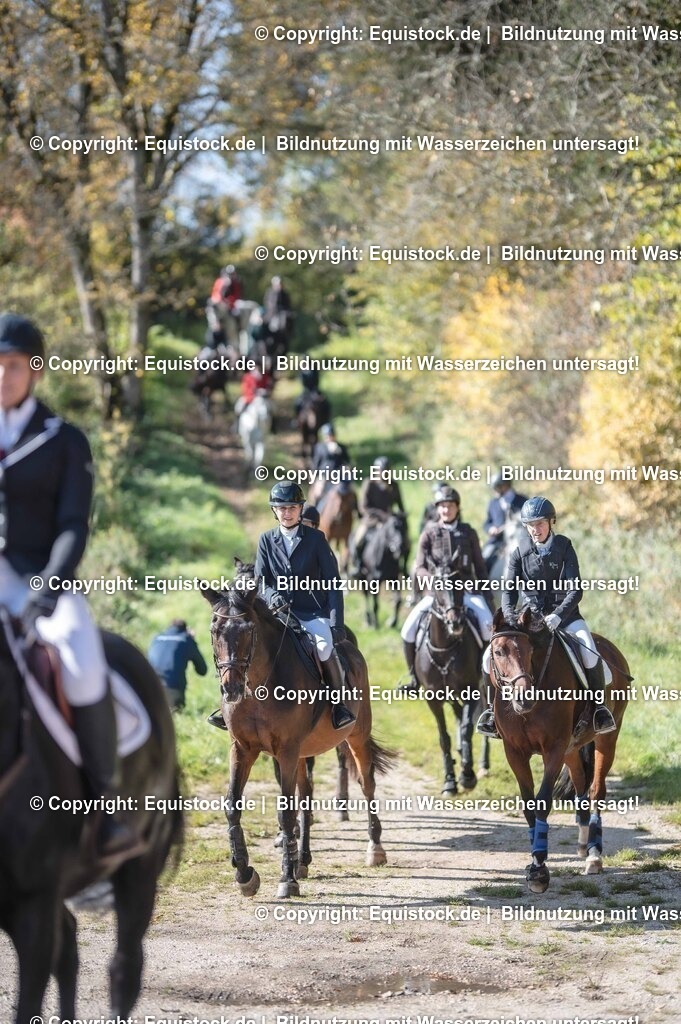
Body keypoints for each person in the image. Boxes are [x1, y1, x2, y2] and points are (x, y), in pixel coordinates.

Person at [0, 312, 142, 859]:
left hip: (41, 582)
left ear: (34, 371)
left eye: (13, 366)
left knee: (81, 664)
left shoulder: (63, 441)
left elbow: (71, 527)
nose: (3, 377)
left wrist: (44, 592)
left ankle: (105, 810)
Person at [476, 496, 617, 738]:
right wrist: (510, 618)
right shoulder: (519, 552)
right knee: (489, 657)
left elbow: (575, 590)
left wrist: (559, 616)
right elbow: (508, 591)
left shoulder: (564, 547)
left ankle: (599, 709)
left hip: (567, 617)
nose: (535, 529)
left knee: (588, 651)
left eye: (539, 523)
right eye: (530, 524)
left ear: (551, 523)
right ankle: (491, 712)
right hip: (529, 620)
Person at [254, 482, 355, 730]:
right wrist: (271, 595)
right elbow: (261, 580)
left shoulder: (316, 540)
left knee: (323, 647)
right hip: (277, 615)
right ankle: (234, 706)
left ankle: (338, 705)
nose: (286, 513)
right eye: (281, 508)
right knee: (246, 644)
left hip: (310, 613)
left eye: (291, 507)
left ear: (300, 509)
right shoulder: (266, 540)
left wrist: (336, 623)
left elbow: (333, 584)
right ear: (274, 511)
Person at [400, 486, 495, 693]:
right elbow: (419, 567)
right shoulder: (429, 533)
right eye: (442, 506)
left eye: (450, 506)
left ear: (457, 508)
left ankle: (488, 679)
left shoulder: (468, 532)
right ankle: (413, 679)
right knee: (407, 629)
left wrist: (487, 595)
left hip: (466, 592)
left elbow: (479, 567)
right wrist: (434, 580)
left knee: (488, 626)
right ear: (438, 509)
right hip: (437, 595)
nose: (446, 510)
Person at [351, 456, 405, 574]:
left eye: (386, 470)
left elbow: (400, 505)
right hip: (371, 520)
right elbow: (363, 507)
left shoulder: (394, 485)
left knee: (404, 540)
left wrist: (401, 516)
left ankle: (403, 567)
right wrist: (380, 516)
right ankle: (357, 565)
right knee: (357, 540)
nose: (384, 473)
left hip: (389, 522)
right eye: (382, 470)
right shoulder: (369, 483)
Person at [148, 619, 208, 709]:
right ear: (185, 629)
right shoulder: (186, 639)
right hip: (173, 689)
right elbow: (202, 670)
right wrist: (192, 641)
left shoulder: (156, 637)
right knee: (175, 713)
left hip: (150, 687)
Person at [481, 472, 527, 571]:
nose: (494, 490)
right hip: (498, 541)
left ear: (506, 485)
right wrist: (490, 529)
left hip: (519, 539)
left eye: (497, 486)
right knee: (484, 561)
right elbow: (487, 523)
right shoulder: (493, 503)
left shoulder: (522, 500)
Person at [309, 423, 352, 507]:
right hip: (324, 476)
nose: (329, 437)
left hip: (339, 476)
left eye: (331, 435)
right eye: (327, 436)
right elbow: (316, 464)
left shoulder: (341, 447)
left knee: (350, 492)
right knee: (318, 492)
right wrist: (314, 477)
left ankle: (356, 511)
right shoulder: (319, 447)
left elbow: (347, 462)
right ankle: (314, 512)